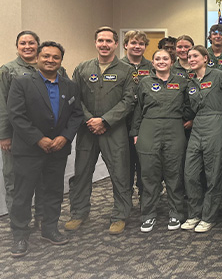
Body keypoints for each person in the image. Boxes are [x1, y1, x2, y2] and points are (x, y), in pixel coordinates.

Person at [7, 41, 83, 258]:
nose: (50, 60)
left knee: (53, 192)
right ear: (38, 58)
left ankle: (50, 229)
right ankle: (20, 235)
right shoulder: (21, 82)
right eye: (46, 56)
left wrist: (65, 137)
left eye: (55, 57)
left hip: (58, 149)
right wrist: (38, 139)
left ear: (61, 60)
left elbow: (76, 114)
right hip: (29, 149)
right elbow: (16, 115)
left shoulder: (70, 86)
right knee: (23, 194)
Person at [66, 27, 136, 235]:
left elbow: (129, 101)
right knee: (82, 172)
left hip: (114, 130)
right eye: (100, 40)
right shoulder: (82, 68)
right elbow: (74, 98)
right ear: (95, 43)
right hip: (87, 129)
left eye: (109, 41)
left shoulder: (127, 70)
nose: (104, 44)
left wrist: (105, 120)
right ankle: (78, 213)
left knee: (120, 173)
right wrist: (90, 120)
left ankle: (120, 215)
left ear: (116, 44)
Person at [1, 31, 67, 227]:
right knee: (17, 181)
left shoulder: (56, 70)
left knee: (44, 180)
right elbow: (4, 106)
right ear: (17, 46)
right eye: (23, 43)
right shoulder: (8, 70)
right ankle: (19, 222)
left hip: (48, 136)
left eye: (31, 43)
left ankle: (41, 217)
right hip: (18, 136)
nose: (27, 46)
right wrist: (4, 135)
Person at [131, 49, 193, 232]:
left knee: (175, 174)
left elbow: (189, 106)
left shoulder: (182, 82)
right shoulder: (144, 83)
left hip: (175, 128)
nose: (161, 61)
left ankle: (176, 213)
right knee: (149, 174)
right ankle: (148, 214)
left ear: (171, 62)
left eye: (165, 58)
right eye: (157, 58)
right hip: (149, 129)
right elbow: (137, 109)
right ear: (152, 63)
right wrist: (136, 132)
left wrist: (187, 119)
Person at [181, 46, 222, 232]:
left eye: (195, 56)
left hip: (216, 123)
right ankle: (194, 214)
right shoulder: (191, 82)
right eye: (189, 57)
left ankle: (208, 216)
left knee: (213, 173)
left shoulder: (217, 75)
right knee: (191, 173)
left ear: (205, 58)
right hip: (197, 125)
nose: (191, 59)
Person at [121, 30, 153, 201]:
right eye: (133, 43)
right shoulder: (117, 66)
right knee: (124, 165)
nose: (137, 46)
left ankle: (145, 199)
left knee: (144, 164)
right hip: (122, 123)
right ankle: (124, 201)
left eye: (141, 44)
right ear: (125, 45)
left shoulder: (152, 67)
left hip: (144, 123)